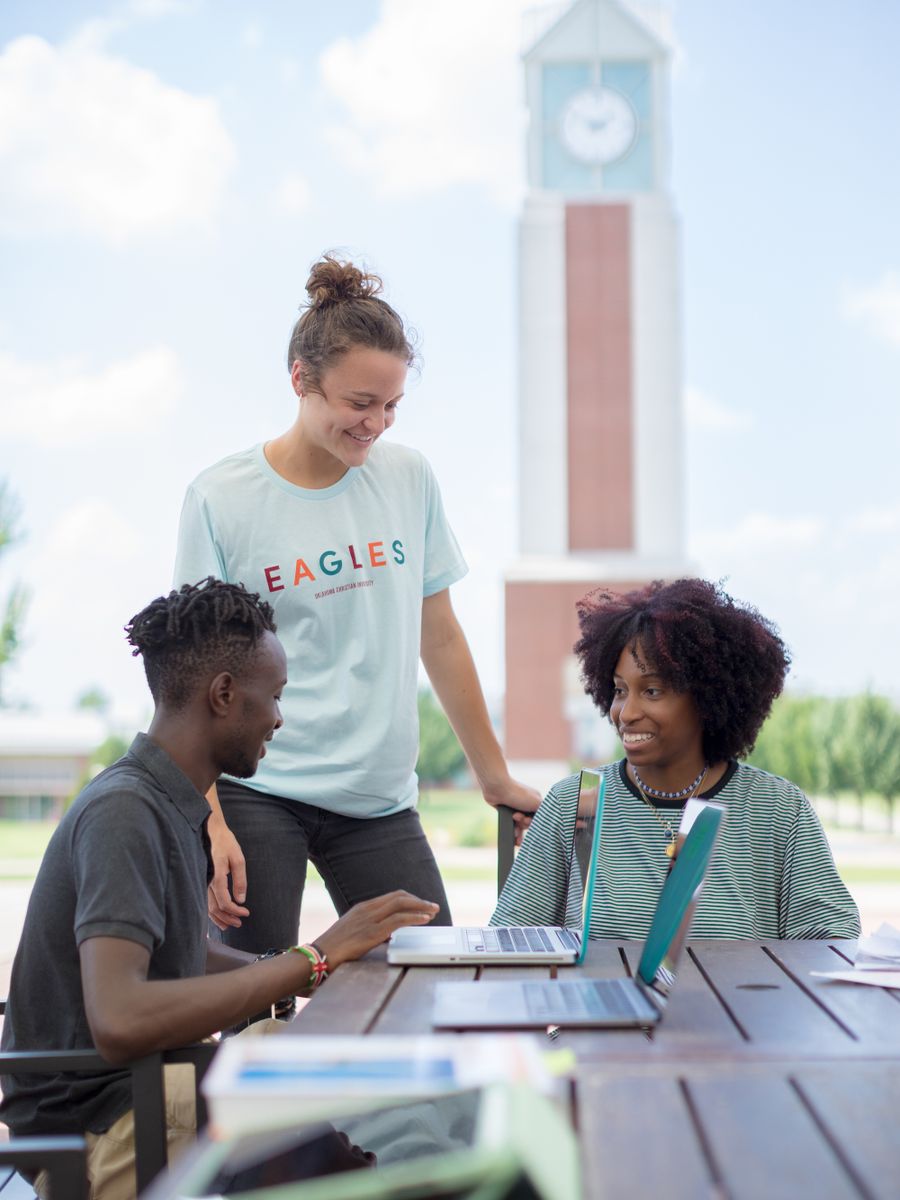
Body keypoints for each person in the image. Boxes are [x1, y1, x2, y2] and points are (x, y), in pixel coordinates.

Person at [0, 579, 439, 1199]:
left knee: (317, 1058)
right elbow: (119, 1020)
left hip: (140, 1089)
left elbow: (173, 947)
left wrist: (310, 967)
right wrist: (307, 958)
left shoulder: (166, 801)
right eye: (275, 698)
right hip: (102, 1124)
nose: (279, 719)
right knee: (304, 1103)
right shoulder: (125, 811)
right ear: (225, 694)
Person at [172, 253, 539, 954]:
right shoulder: (221, 498)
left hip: (378, 798)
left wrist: (494, 777)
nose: (376, 423)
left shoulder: (408, 478)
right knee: (255, 1011)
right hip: (259, 790)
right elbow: (191, 677)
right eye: (359, 404)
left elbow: (441, 636)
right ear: (300, 381)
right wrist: (209, 819)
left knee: (431, 988)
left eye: (392, 405)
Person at [492, 578, 860, 940]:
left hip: (737, 1002)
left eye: (652, 690)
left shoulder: (779, 808)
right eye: (620, 691)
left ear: (707, 699)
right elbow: (509, 938)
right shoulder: (574, 801)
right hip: (596, 1002)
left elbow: (831, 943)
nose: (626, 712)